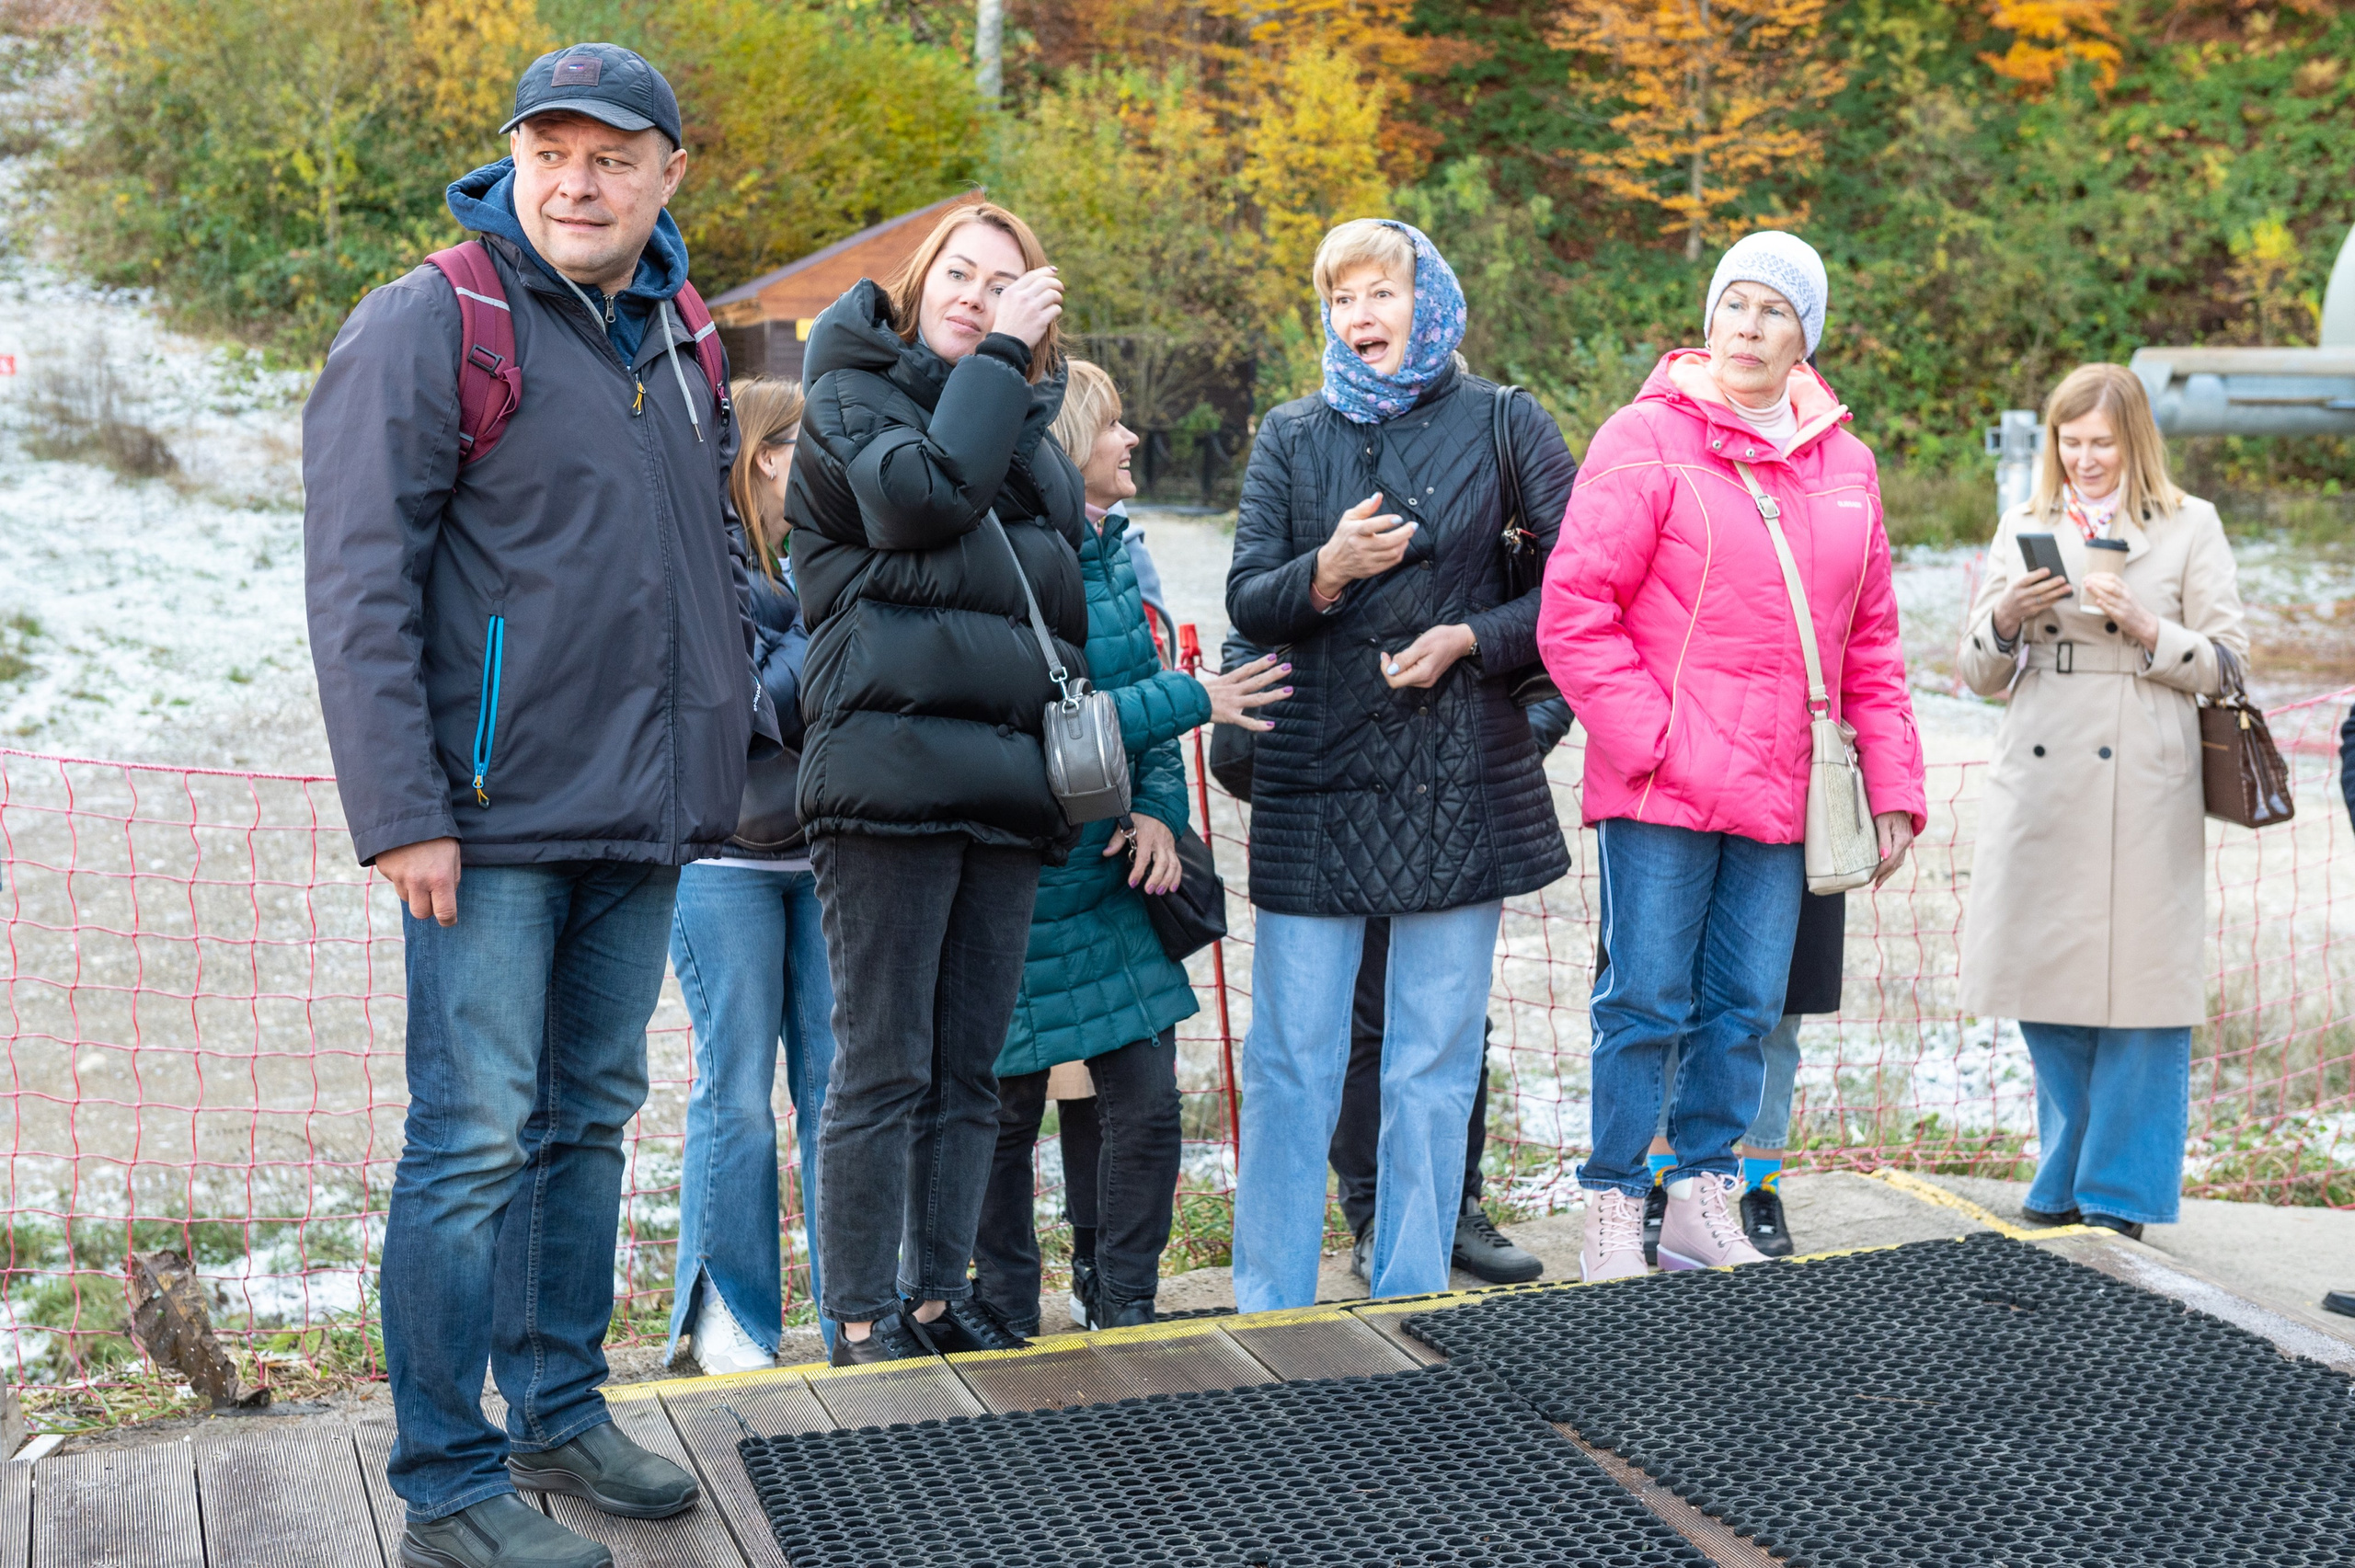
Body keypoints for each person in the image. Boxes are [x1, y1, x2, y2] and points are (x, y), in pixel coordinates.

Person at [304, 43, 767, 1568]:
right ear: (512, 161)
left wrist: (721, 745)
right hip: (483, 824)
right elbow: (359, 586)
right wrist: (402, 811)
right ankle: (449, 1478)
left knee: (589, 1121)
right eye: (550, 151)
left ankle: (560, 1409)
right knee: (472, 1139)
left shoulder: (681, 331)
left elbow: (693, 566)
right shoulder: (433, 322)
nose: (577, 181)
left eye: (611, 156)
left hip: (639, 814)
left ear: (667, 175)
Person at [1538, 229, 1925, 1284]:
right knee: (1645, 1000)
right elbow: (1575, 613)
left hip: (1784, 785)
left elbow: (1872, 644)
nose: (1748, 328)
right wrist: (1651, 740)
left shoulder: (1846, 464)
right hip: (1663, 783)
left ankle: (1705, 1197)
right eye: (1734, 306)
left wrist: (1892, 786)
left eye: (1774, 311)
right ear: (1709, 318)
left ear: (1807, 335)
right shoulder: (1645, 437)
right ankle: (1616, 1201)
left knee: (1748, 1005)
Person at [1225, 218, 1576, 1310]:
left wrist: (1472, 640)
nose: (1360, 317)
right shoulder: (1290, 434)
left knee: (1431, 1059)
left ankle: (1413, 1290)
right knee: (1290, 1062)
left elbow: (1578, 588)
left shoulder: (1508, 421)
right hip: (1314, 779)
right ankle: (1268, 1302)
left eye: (1380, 293)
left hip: (1455, 780)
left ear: (1431, 302)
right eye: (1342, 299)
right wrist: (1323, 573)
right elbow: (1247, 597)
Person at [789, 200, 1089, 1365]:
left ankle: (930, 1299)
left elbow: (1059, 590)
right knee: (882, 1062)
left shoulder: (1025, 428)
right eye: (958, 276)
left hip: (1009, 783)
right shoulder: (849, 390)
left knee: (973, 1067)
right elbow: (919, 498)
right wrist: (1005, 359)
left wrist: (1014, 387)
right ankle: (858, 1313)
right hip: (888, 773)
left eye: (1004, 284)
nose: (975, 296)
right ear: (916, 286)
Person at [972, 361, 1287, 1333]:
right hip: (1024, 876)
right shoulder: (1015, 566)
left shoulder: (1112, 558)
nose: (1131, 441)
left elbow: (1137, 719)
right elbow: (1041, 719)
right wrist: (1198, 699)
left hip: (1113, 872)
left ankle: (1123, 1296)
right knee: (1002, 1116)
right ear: (1068, 451)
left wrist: (1157, 811)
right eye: (1112, 427)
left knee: (1143, 1105)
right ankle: (1003, 1307)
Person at [1956, 362, 2246, 1241]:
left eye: (2102, 445)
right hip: (2041, 771)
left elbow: (2231, 661)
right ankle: (2065, 1172)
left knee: (2146, 994)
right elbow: (1975, 672)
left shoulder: (2191, 525)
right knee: (2042, 978)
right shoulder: (2025, 522)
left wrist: (2153, 629)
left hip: (2146, 769)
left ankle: (2117, 1195)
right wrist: (2006, 615)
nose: (2084, 460)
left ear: (2136, 442)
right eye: (2070, 443)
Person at [664, 378, 835, 1374]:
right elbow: (752, 709)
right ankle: (726, 1319)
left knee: (835, 1085)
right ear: (770, 453)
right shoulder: (703, 556)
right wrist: (831, 630)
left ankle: (848, 1303)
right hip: (722, 857)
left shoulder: (822, 551)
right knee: (733, 1091)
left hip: (820, 853)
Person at [1332, 690, 1576, 1288]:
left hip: (1462, 804)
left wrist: (1496, 751)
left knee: (1461, 1022)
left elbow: (1547, 648)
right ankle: (1372, 1218)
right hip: (1359, 802)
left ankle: (1457, 1207)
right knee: (1369, 1020)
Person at [1637, 890, 1845, 1262]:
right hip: (1683, 835)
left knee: (1777, 1010)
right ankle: (1664, 1184)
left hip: (1787, 841)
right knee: (1666, 995)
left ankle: (1763, 1191)